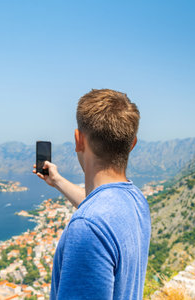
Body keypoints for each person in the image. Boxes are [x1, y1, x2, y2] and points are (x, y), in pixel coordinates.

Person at [33, 89, 151, 299]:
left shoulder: (87, 228)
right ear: (132, 144)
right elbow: (98, 205)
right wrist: (57, 181)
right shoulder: (136, 200)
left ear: (79, 140)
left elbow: (94, 216)